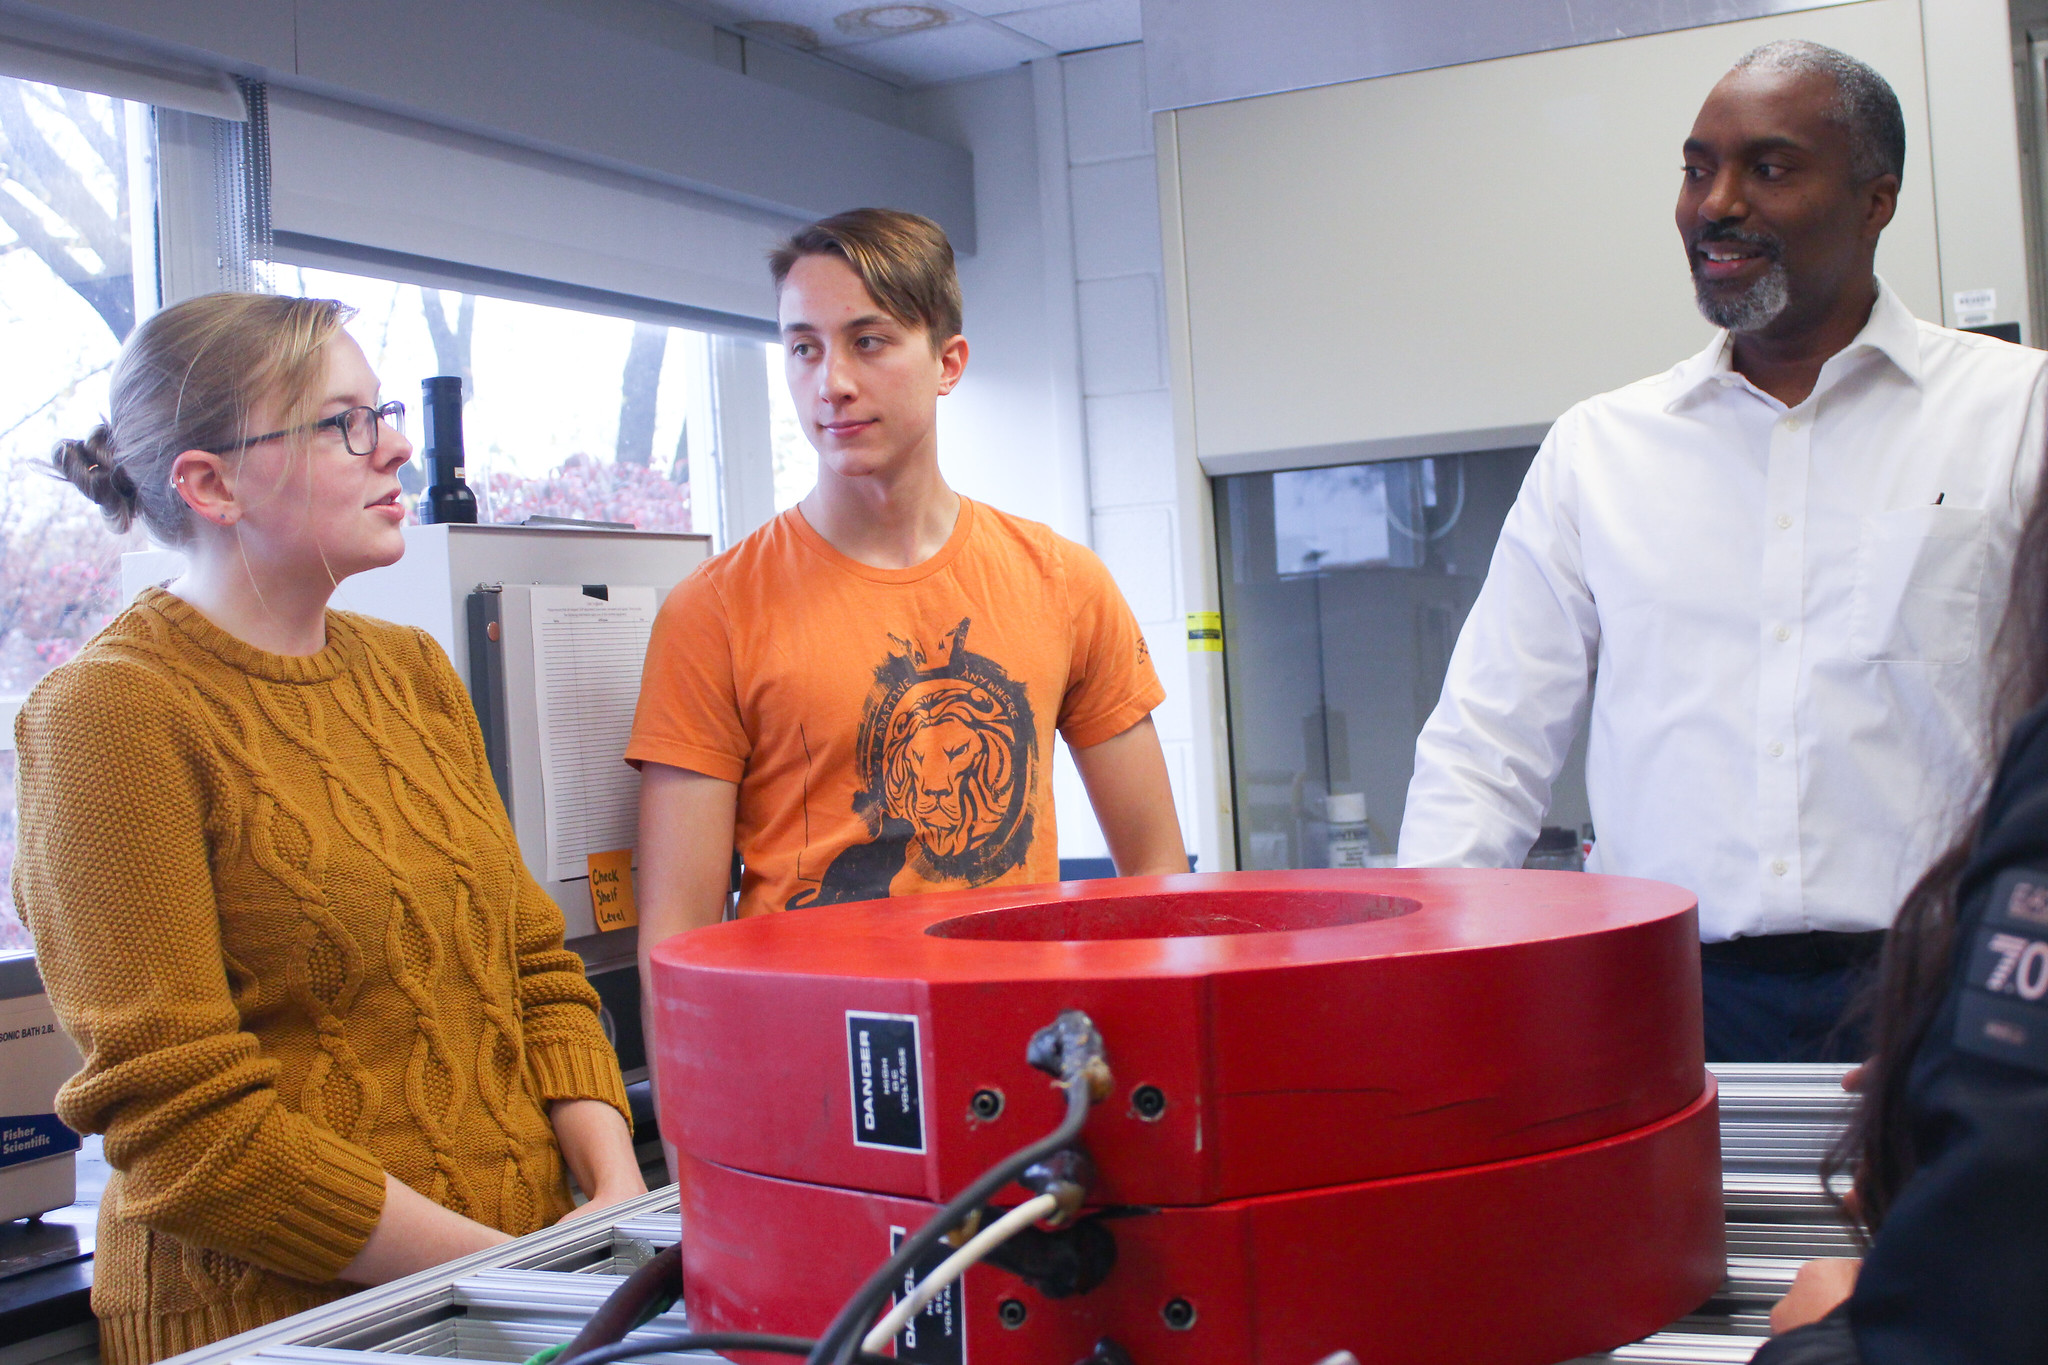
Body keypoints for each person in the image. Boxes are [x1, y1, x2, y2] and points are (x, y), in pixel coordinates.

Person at [15, 293, 644, 1365]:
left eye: (383, 410)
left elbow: (532, 965)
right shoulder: (111, 717)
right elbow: (185, 1124)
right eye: (343, 423)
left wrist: (614, 1199)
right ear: (210, 484)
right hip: (285, 1325)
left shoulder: (409, 673)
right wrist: (503, 1270)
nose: (392, 444)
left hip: (526, 1283)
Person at [1398, 40, 2048, 1062]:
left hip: (1949, 991)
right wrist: (1423, 982)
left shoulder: (2017, 416)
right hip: (1671, 996)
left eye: (1770, 168)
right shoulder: (1599, 450)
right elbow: (1484, 748)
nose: (1716, 204)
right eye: (1697, 169)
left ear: (1874, 200)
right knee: (1686, 1233)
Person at [627, 206, 1186, 977]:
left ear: (948, 362)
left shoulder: (1063, 582)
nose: (833, 383)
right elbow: (676, 934)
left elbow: (1157, 872)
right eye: (803, 348)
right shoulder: (714, 611)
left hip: (1019, 1052)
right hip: (811, 1064)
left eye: (869, 341)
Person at [1752, 449, 2048, 1362]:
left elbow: (1968, 1316)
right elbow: (1487, 729)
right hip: (1736, 988)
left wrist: (1832, 1338)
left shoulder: (2015, 402)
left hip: (1916, 954)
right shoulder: (1597, 450)